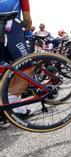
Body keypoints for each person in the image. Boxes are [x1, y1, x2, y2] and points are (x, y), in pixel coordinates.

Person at [0, 0, 33, 128]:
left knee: (6, 68)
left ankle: (19, 109)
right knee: (26, 68)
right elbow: (27, 20)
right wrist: (28, 33)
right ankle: (7, 108)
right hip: (12, 30)